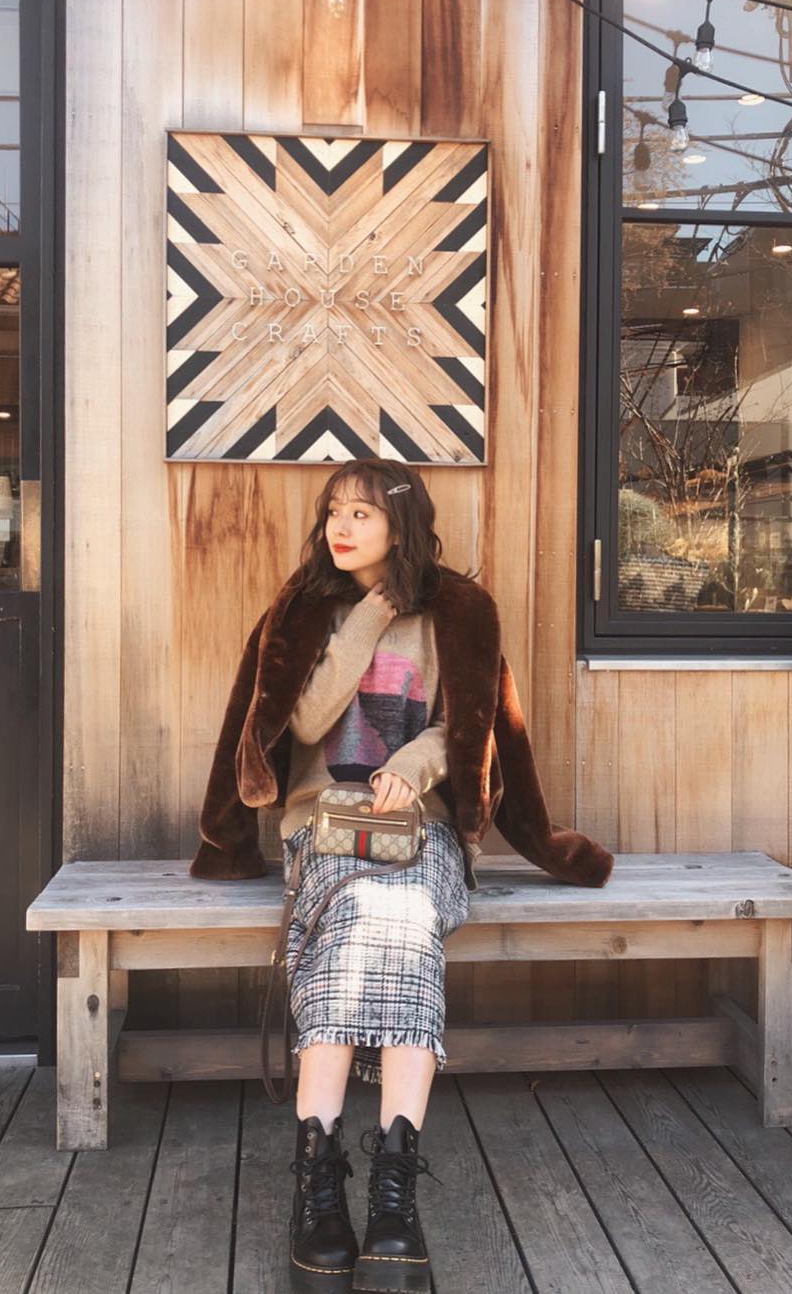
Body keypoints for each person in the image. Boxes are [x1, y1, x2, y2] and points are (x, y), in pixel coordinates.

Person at [279, 457, 478, 1294]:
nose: (342, 525)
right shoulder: (306, 609)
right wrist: (369, 615)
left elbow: (467, 726)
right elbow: (304, 719)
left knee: (398, 915)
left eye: (362, 512)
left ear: (402, 524)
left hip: (420, 830)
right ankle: (321, 1183)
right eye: (334, 510)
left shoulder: (456, 614)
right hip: (322, 827)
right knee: (362, 912)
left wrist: (411, 765)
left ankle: (392, 1187)